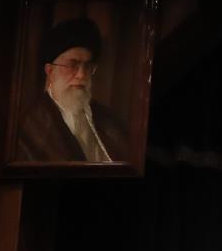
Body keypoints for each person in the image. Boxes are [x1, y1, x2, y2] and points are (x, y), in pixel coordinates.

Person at [13, 15, 133, 165]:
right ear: (50, 71)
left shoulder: (108, 118)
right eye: (72, 65)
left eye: (87, 66)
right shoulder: (30, 127)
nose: (82, 75)